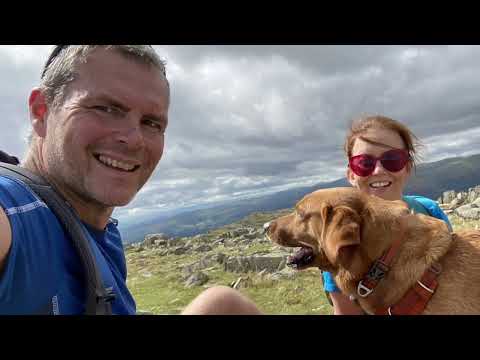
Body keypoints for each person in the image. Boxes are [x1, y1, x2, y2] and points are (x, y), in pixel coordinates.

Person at [0, 45, 260, 315]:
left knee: (224, 305)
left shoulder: (101, 230)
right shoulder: (16, 212)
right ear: (41, 112)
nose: (134, 139)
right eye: (105, 108)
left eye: (151, 123)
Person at [321, 115, 452, 315]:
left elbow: (454, 278)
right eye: (364, 163)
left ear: (407, 167)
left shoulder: (430, 211)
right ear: (351, 174)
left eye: (393, 159)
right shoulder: (341, 241)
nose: (378, 170)